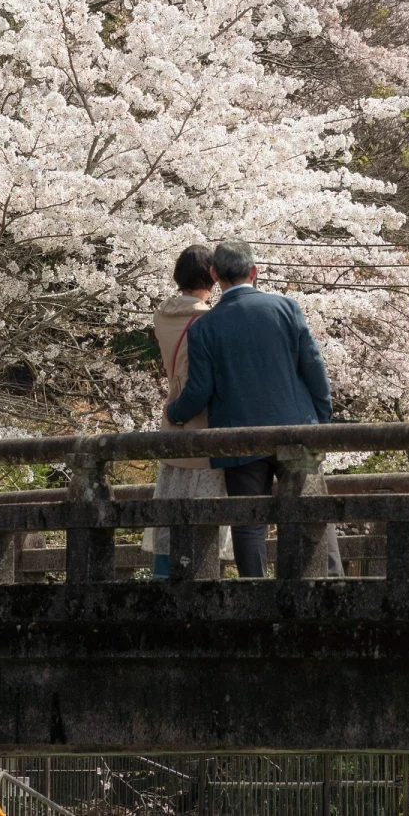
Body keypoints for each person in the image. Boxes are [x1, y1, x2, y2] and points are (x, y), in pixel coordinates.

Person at [165, 239, 343, 578]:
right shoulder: (286, 308)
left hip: (239, 435)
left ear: (215, 275)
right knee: (310, 511)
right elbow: (314, 368)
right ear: (254, 271)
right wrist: (320, 419)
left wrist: (174, 413)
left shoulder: (204, 327)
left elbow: (200, 390)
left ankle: (256, 599)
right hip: (295, 428)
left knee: (249, 523)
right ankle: (325, 586)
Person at [143, 245, 234, 576]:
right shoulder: (207, 321)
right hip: (204, 425)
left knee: (170, 507)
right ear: (212, 275)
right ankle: (202, 580)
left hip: (172, 422)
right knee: (204, 512)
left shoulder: (161, 316)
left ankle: (163, 577)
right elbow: (204, 382)